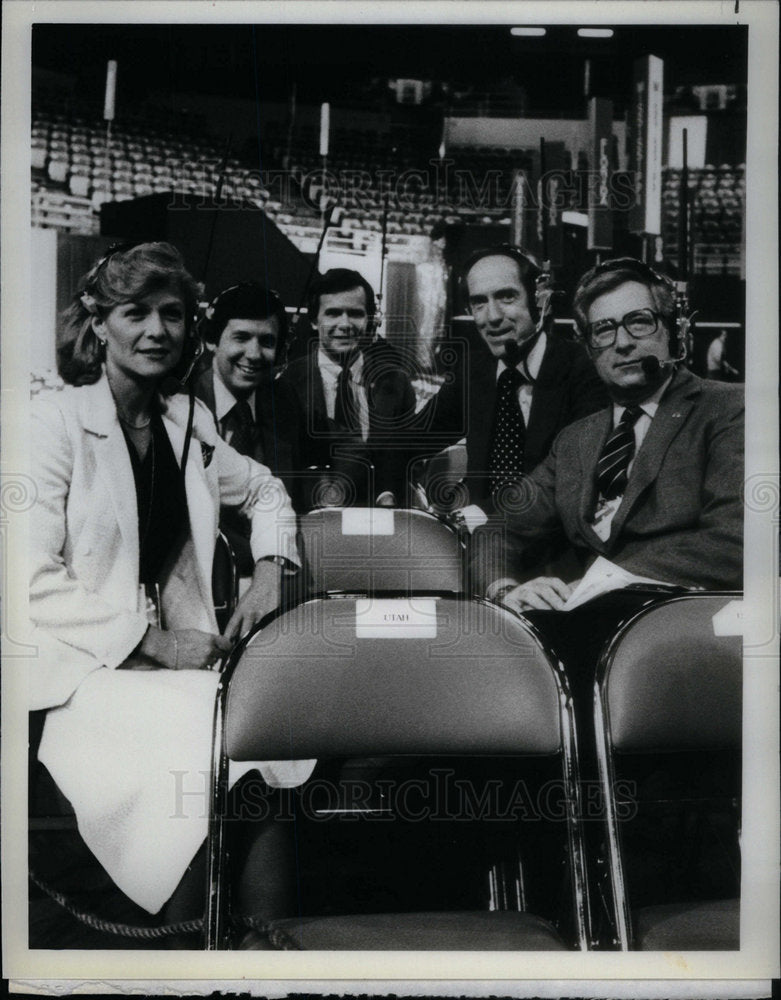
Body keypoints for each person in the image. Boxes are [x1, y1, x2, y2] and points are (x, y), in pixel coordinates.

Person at [29, 243, 307, 925]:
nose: (157, 330)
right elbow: (28, 581)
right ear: (99, 323)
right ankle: (185, 953)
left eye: (173, 315)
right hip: (76, 667)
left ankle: (262, 953)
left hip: (165, 665)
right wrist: (156, 644)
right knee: (207, 753)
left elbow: (268, 491)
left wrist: (271, 569)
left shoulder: (190, 422)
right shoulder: (49, 423)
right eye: (136, 312)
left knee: (265, 747)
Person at [478, 256, 744, 614]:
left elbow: (737, 539)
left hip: (684, 628)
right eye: (604, 329)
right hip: (584, 632)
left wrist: (606, 580)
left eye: (639, 322)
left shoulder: (728, 409)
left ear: (673, 332)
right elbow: (497, 530)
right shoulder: (575, 440)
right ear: (589, 348)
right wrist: (507, 591)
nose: (622, 343)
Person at [417, 245, 607, 521]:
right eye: (479, 302)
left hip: (555, 546)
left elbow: (571, 479)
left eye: (506, 297)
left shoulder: (583, 370)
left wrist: (481, 514)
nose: (492, 317)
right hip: (480, 540)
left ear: (538, 300)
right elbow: (409, 440)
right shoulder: (474, 370)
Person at [278, 267, 418, 508]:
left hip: (381, 524)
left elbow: (404, 461)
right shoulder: (286, 384)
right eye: (333, 313)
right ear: (314, 321)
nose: (345, 324)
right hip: (309, 524)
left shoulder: (396, 384)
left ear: (370, 320)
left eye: (355, 314)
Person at [194, 282, 303, 570]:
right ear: (211, 340)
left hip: (274, 574)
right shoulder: (184, 402)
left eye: (267, 341)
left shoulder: (284, 401)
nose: (254, 354)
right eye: (241, 337)